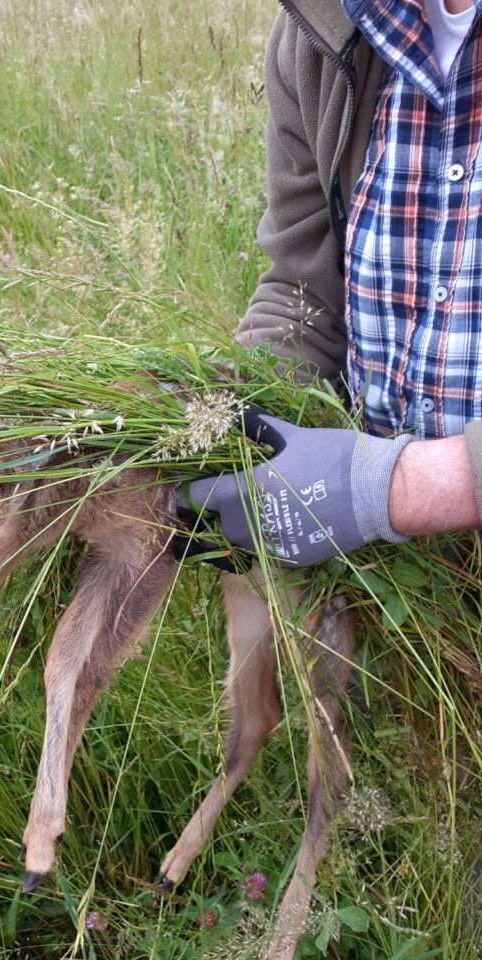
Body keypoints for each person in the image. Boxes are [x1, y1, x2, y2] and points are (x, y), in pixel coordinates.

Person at [179, 0, 482, 567]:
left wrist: (391, 488)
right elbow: (304, 291)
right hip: (396, 582)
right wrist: (221, 419)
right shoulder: (322, 29)